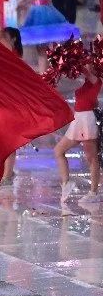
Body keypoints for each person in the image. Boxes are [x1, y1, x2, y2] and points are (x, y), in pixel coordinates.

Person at [55, 74, 102, 204]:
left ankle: (93, 192)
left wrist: (78, 62)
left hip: (87, 119)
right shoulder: (86, 82)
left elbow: (87, 72)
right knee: (58, 150)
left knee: (91, 158)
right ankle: (66, 183)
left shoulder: (96, 81)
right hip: (79, 118)